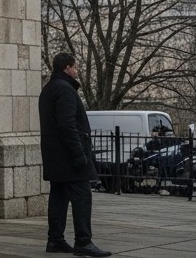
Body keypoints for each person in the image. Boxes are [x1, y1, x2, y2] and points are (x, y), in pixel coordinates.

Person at [38, 53, 111, 257]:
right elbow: (68, 125)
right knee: (82, 196)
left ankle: (55, 240)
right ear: (66, 68)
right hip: (69, 157)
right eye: (75, 67)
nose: (77, 70)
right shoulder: (65, 90)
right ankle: (83, 242)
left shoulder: (48, 89)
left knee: (59, 197)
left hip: (55, 156)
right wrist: (79, 154)